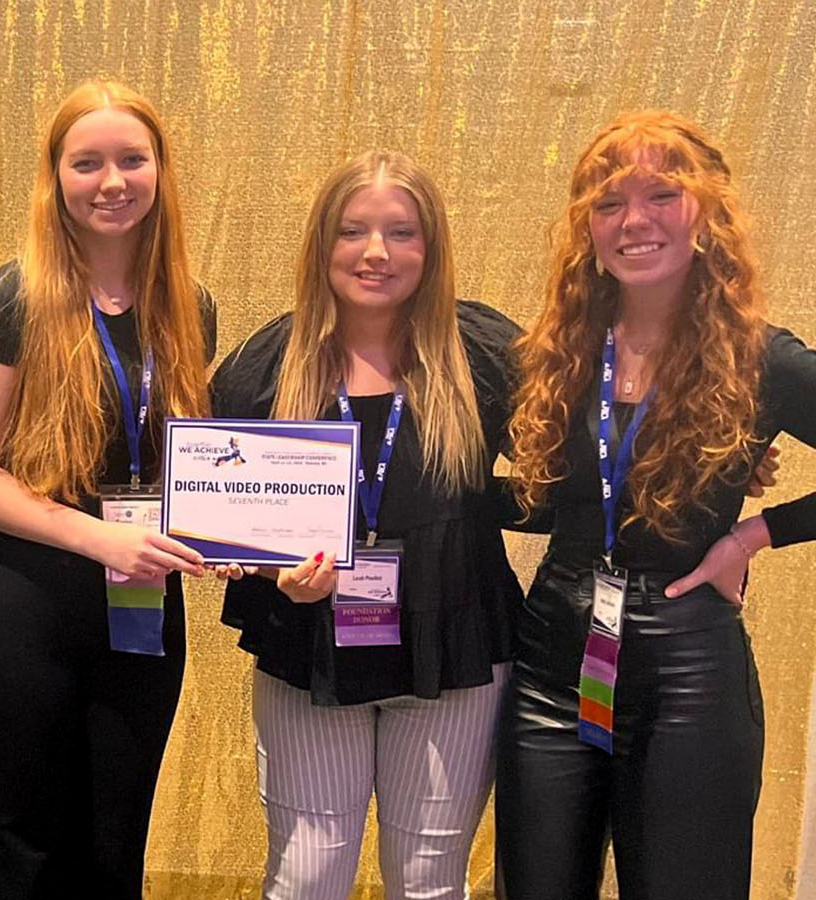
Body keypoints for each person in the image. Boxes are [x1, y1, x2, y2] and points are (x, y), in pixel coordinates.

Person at [495, 110, 816, 898]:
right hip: (552, 661)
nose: (633, 221)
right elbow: (557, 501)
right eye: (609, 204)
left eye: (661, 196)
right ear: (586, 231)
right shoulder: (553, 354)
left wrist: (757, 533)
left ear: (708, 215)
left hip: (689, 673)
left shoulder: (762, 362)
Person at [210, 150, 523, 900]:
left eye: (401, 233)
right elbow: (214, 509)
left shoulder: (483, 352)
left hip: (457, 649)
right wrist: (263, 565)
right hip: (309, 649)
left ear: (433, 247)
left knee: (428, 882)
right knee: (307, 876)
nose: (376, 252)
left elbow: (573, 470)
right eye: (353, 231)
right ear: (323, 244)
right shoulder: (266, 363)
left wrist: (711, 491)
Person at [0, 80, 217, 897]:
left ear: (161, 171)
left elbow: (187, 465)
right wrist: (96, 537)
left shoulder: (189, 307)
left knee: (115, 842)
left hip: (140, 605)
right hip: (22, 601)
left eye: (133, 159)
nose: (113, 180)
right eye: (86, 162)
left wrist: (227, 539)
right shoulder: (13, 296)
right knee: (22, 845)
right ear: (55, 175)